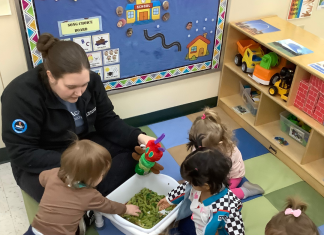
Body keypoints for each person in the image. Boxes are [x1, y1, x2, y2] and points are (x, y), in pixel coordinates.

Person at [1, 33, 154, 203]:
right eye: (71, 87)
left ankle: (89, 199)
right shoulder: (20, 95)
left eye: (84, 84)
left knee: (133, 156)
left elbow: (107, 120)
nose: (79, 93)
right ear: (51, 75)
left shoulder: (93, 81)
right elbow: (22, 152)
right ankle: (91, 199)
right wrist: (79, 164)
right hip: (43, 156)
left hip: (83, 145)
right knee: (58, 194)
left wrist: (139, 137)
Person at [24, 139, 141, 235]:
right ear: (90, 178)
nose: (103, 176)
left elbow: (41, 177)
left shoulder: (54, 174)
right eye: (101, 174)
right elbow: (108, 206)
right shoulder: (90, 195)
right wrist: (126, 209)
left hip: (35, 230)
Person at [158, 136, 245, 235]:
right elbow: (184, 188)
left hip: (209, 230)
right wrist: (169, 199)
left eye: (191, 182)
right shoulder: (198, 185)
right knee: (183, 227)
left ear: (206, 185)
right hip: (198, 223)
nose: (188, 183)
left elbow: (237, 230)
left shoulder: (227, 208)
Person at [187, 108, 264, 200]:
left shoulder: (227, 153)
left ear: (218, 143)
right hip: (214, 172)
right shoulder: (199, 143)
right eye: (198, 146)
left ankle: (246, 190)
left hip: (230, 176)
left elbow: (220, 175)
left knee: (218, 195)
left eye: (204, 148)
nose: (199, 149)